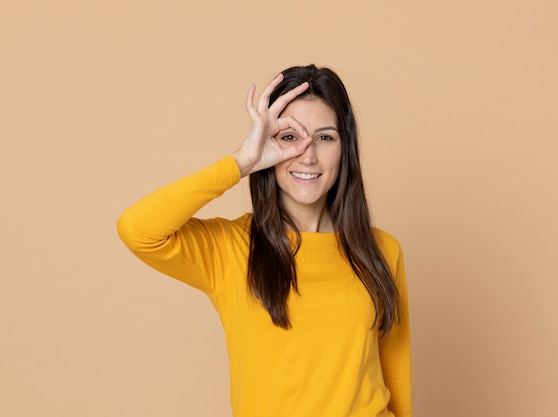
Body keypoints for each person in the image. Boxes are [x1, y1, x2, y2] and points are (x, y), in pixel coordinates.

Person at [117, 64, 412, 417]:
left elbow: (395, 376)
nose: (308, 155)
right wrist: (242, 162)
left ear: (344, 148)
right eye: (290, 137)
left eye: (325, 137)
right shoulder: (229, 248)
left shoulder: (381, 250)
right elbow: (137, 229)